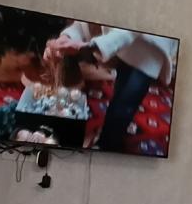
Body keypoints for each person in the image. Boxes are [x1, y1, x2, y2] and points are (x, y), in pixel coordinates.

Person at [44, 23, 178, 152]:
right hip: (126, 44)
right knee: (120, 92)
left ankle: (108, 144)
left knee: (125, 104)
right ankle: (109, 133)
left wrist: (92, 46)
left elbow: (132, 29)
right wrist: (67, 37)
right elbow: (83, 23)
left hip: (151, 47)